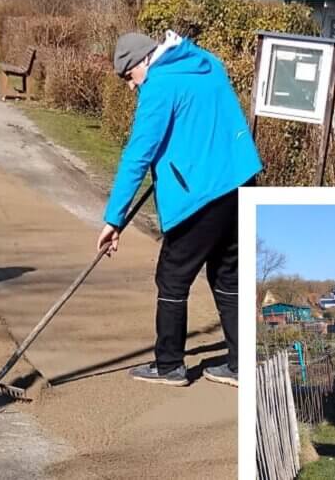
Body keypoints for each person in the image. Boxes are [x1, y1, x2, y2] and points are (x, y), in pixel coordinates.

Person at [95, 30, 261, 388]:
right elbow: (197, 124)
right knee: (227, 275)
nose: (130, 86)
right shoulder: (207, 65)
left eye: (128, 76)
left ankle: (169, 365)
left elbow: (137, 156)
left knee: (172, 276)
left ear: (141, 62)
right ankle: (240, 363)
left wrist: (114, 219)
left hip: (203, 195)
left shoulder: (158, 87)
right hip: (242, 183)